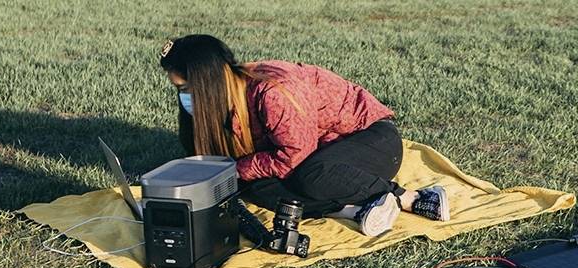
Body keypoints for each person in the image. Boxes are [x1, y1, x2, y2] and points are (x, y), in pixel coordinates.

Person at [158, 35, 449, 237]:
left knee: (312, 175)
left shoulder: (272, 91)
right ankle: (355, 210)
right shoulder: (228, 95)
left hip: (370, 139)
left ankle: (411, 197)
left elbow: (292, 156)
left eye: (186, 89)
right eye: (179, 90)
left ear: (208, 82)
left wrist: (236, 168)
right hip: (320, 153)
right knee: (254, 186)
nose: (184, 98)